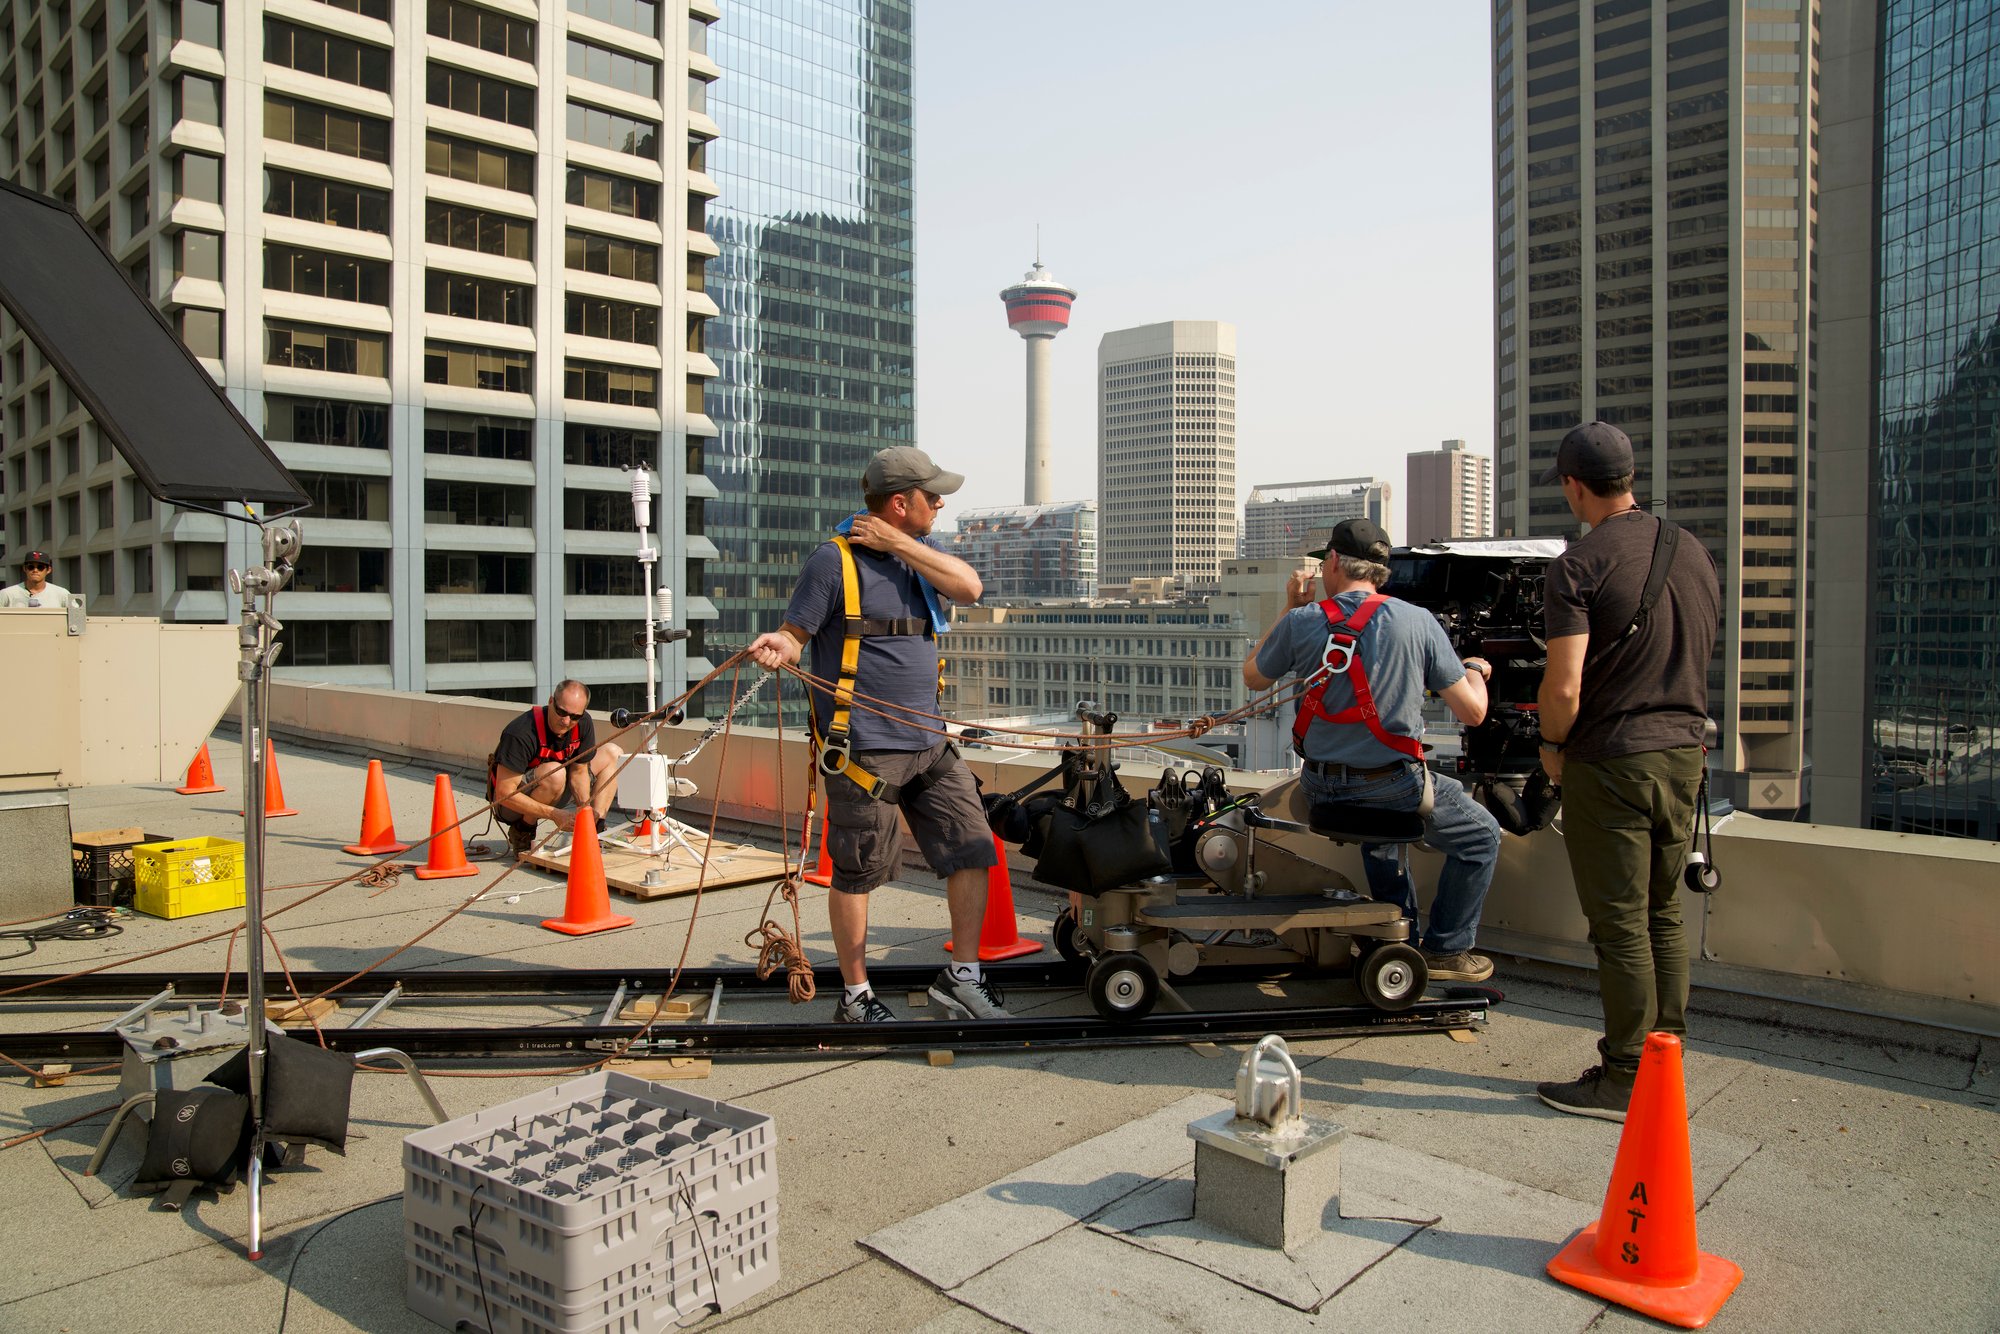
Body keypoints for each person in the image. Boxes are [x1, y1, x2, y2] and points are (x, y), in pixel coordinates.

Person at [747, 446, 1010, 1024]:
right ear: (900, 502)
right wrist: (780, 646)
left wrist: (899, 545)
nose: (940, 502)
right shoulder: (831, 561)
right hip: (864, 744)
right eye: (931, 495)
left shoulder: (921, 554)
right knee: (859, 871)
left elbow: (970, 588)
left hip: (928, 741)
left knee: (973, 847)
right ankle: (856, 995)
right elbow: (796, 634)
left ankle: (962, 978)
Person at [1534, 421, 1721, 1121]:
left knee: (1618, 924)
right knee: (1663, 912)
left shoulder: (1578, 565)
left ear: (1574, 485)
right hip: (1683, 756)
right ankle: (1664, 1058)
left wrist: (1553, 745)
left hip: (1613, 761)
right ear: (1631, 478)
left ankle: (1624, 1076)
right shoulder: (1693, 553)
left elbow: (1565, 690)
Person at [1244, 518, 1502, 982]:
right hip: (1391, 786)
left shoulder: (1304, 621)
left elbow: (1254, 677)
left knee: (1380, 830)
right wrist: (1477, 668)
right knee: (1482, 835)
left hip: (1320, 786)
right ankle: (1446, 949)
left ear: (1335, 562)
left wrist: (1289, 606)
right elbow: (1473, 714)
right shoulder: (1417, 621)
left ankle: (1393, 937)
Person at [491, 680, 625, 859]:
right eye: (561, 712)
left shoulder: (583, 724)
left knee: (613, 753)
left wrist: (584, 810)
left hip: (558, 786)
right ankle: (523, 831)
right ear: (551, 701)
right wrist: (554, 815)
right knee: (556, 773)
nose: (566, 721)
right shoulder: (520, 732)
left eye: (574, 716)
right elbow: (503, 793)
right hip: (511, 805)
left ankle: (595, 829)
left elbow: (579, 772)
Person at [0, 551, 73, 608]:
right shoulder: (7, 594)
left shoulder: (62, 594)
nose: (35, 570)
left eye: (40, 567)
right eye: (31, 567)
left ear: (48, 570)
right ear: (25, 569)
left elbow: (77, 618)